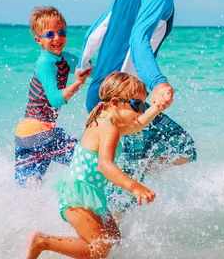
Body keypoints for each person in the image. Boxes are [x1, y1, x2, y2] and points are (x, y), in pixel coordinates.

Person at [77, 0, 212, 214]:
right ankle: (105, 233)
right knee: (181, 149)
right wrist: (158, 82)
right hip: (123, 103)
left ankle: (108, 204)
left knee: (152, 161)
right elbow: (139, 39)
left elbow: (96, 30)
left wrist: (82, 65)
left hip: (99, 97)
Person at [25, 72, 166, 259]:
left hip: (89, 193)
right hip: (78, 194)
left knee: (114, 241)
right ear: (115, 102)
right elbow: (105, 165)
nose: (140, 111)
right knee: (99, 249)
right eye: (137, 105)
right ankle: (42, 241)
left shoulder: (106, 121)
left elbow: (137, 125)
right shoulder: (109, 129)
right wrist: (135, 187)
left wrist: (157, 108)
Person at [15, 6, 92, 187]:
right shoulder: (44, 62)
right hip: (40, 132)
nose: (57, 38)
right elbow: (56, 99)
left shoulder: (64, 58)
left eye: (61, 32)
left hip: (24, 137)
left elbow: (90, 68)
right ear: (38, 40)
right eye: (49, 34)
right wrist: (78, 83)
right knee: (86, 159)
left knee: (29, 188)